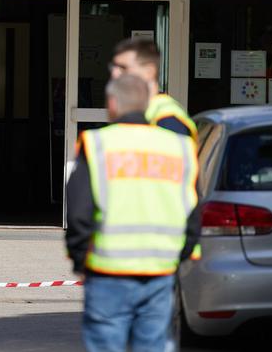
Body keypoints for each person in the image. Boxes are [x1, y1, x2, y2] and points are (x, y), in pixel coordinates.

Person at [66, 74, 200, 352]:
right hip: (159, 273)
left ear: (113, 104)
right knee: (152, 344)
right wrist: (179, 256)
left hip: (107, 272)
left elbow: (79, 211)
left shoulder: (98, 143)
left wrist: (80, 260)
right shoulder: (179, 147)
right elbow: (193, 210)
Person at [109, 38, 197, 142]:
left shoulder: (168, 119)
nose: (114, 74)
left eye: (123, 68)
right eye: (113, 67)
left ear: (149, 71)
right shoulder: (140, 108)